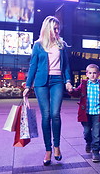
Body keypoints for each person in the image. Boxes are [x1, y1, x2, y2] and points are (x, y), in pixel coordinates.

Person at [23, 16, 73, 166]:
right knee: (45, 115)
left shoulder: (61, 44)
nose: (57, 31)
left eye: (58, 28)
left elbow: (66, 66)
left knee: (55, 114)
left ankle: (57, 146)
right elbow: (33, 66)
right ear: (47, 29)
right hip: (41, 83)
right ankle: (48, 150)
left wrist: (68, 81)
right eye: (54, 29)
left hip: (57, 81)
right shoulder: (38, 45)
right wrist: (27, 85)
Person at [68, 64, 100, 163]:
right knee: (87, 132)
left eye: (95, 73)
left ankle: (95, 151)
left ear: (98, 74)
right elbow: (76, 93)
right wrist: (71, 90)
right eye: (90, 73)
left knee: (96, 134)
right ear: (87, 74)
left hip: (98, 113)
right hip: (86, 113)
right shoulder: (84, 84)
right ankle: (88, 142)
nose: (92, 75)